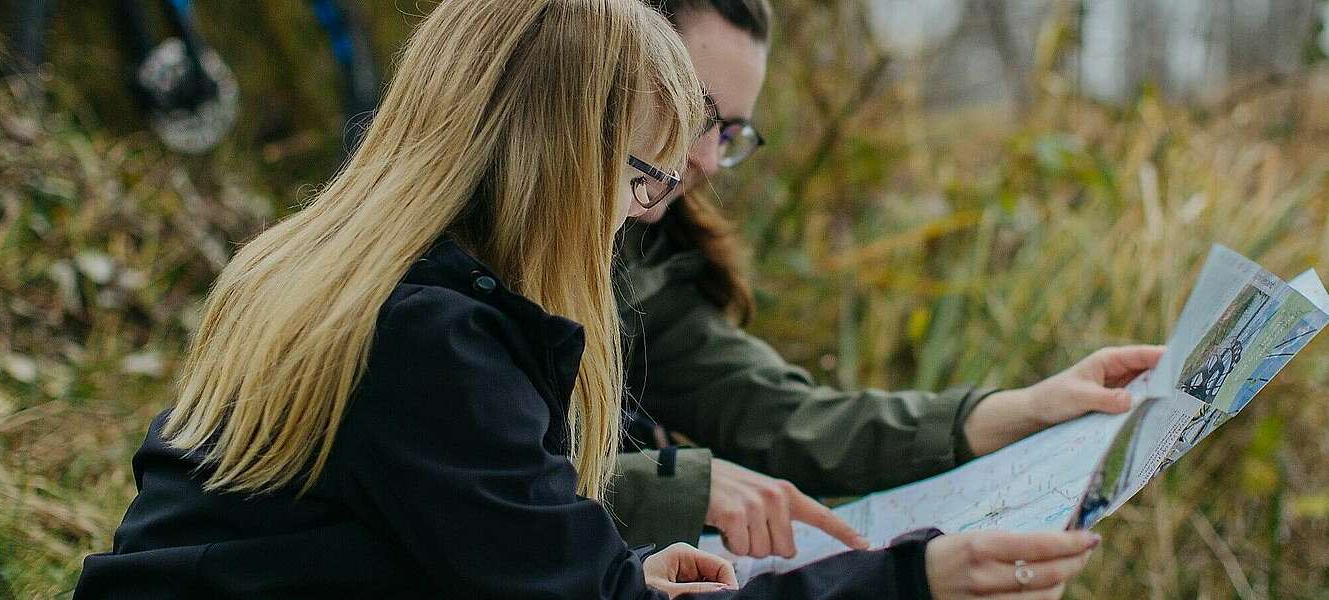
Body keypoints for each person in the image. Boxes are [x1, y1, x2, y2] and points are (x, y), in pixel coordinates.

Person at [73, 0, 1101, 597]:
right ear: (561, 147)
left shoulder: (352, 270)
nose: (647, 206)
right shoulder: (430, 337)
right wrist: (911, 582)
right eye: (643, 171)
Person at [606, 0, 1165, 560]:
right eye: (694, 110)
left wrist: (1022, 409)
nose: (706, 158)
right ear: (604, 66)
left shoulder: (645, 255)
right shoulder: (527, 240)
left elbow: (779, 416)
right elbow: (524, 484)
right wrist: (674, 486)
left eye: (729, 132)